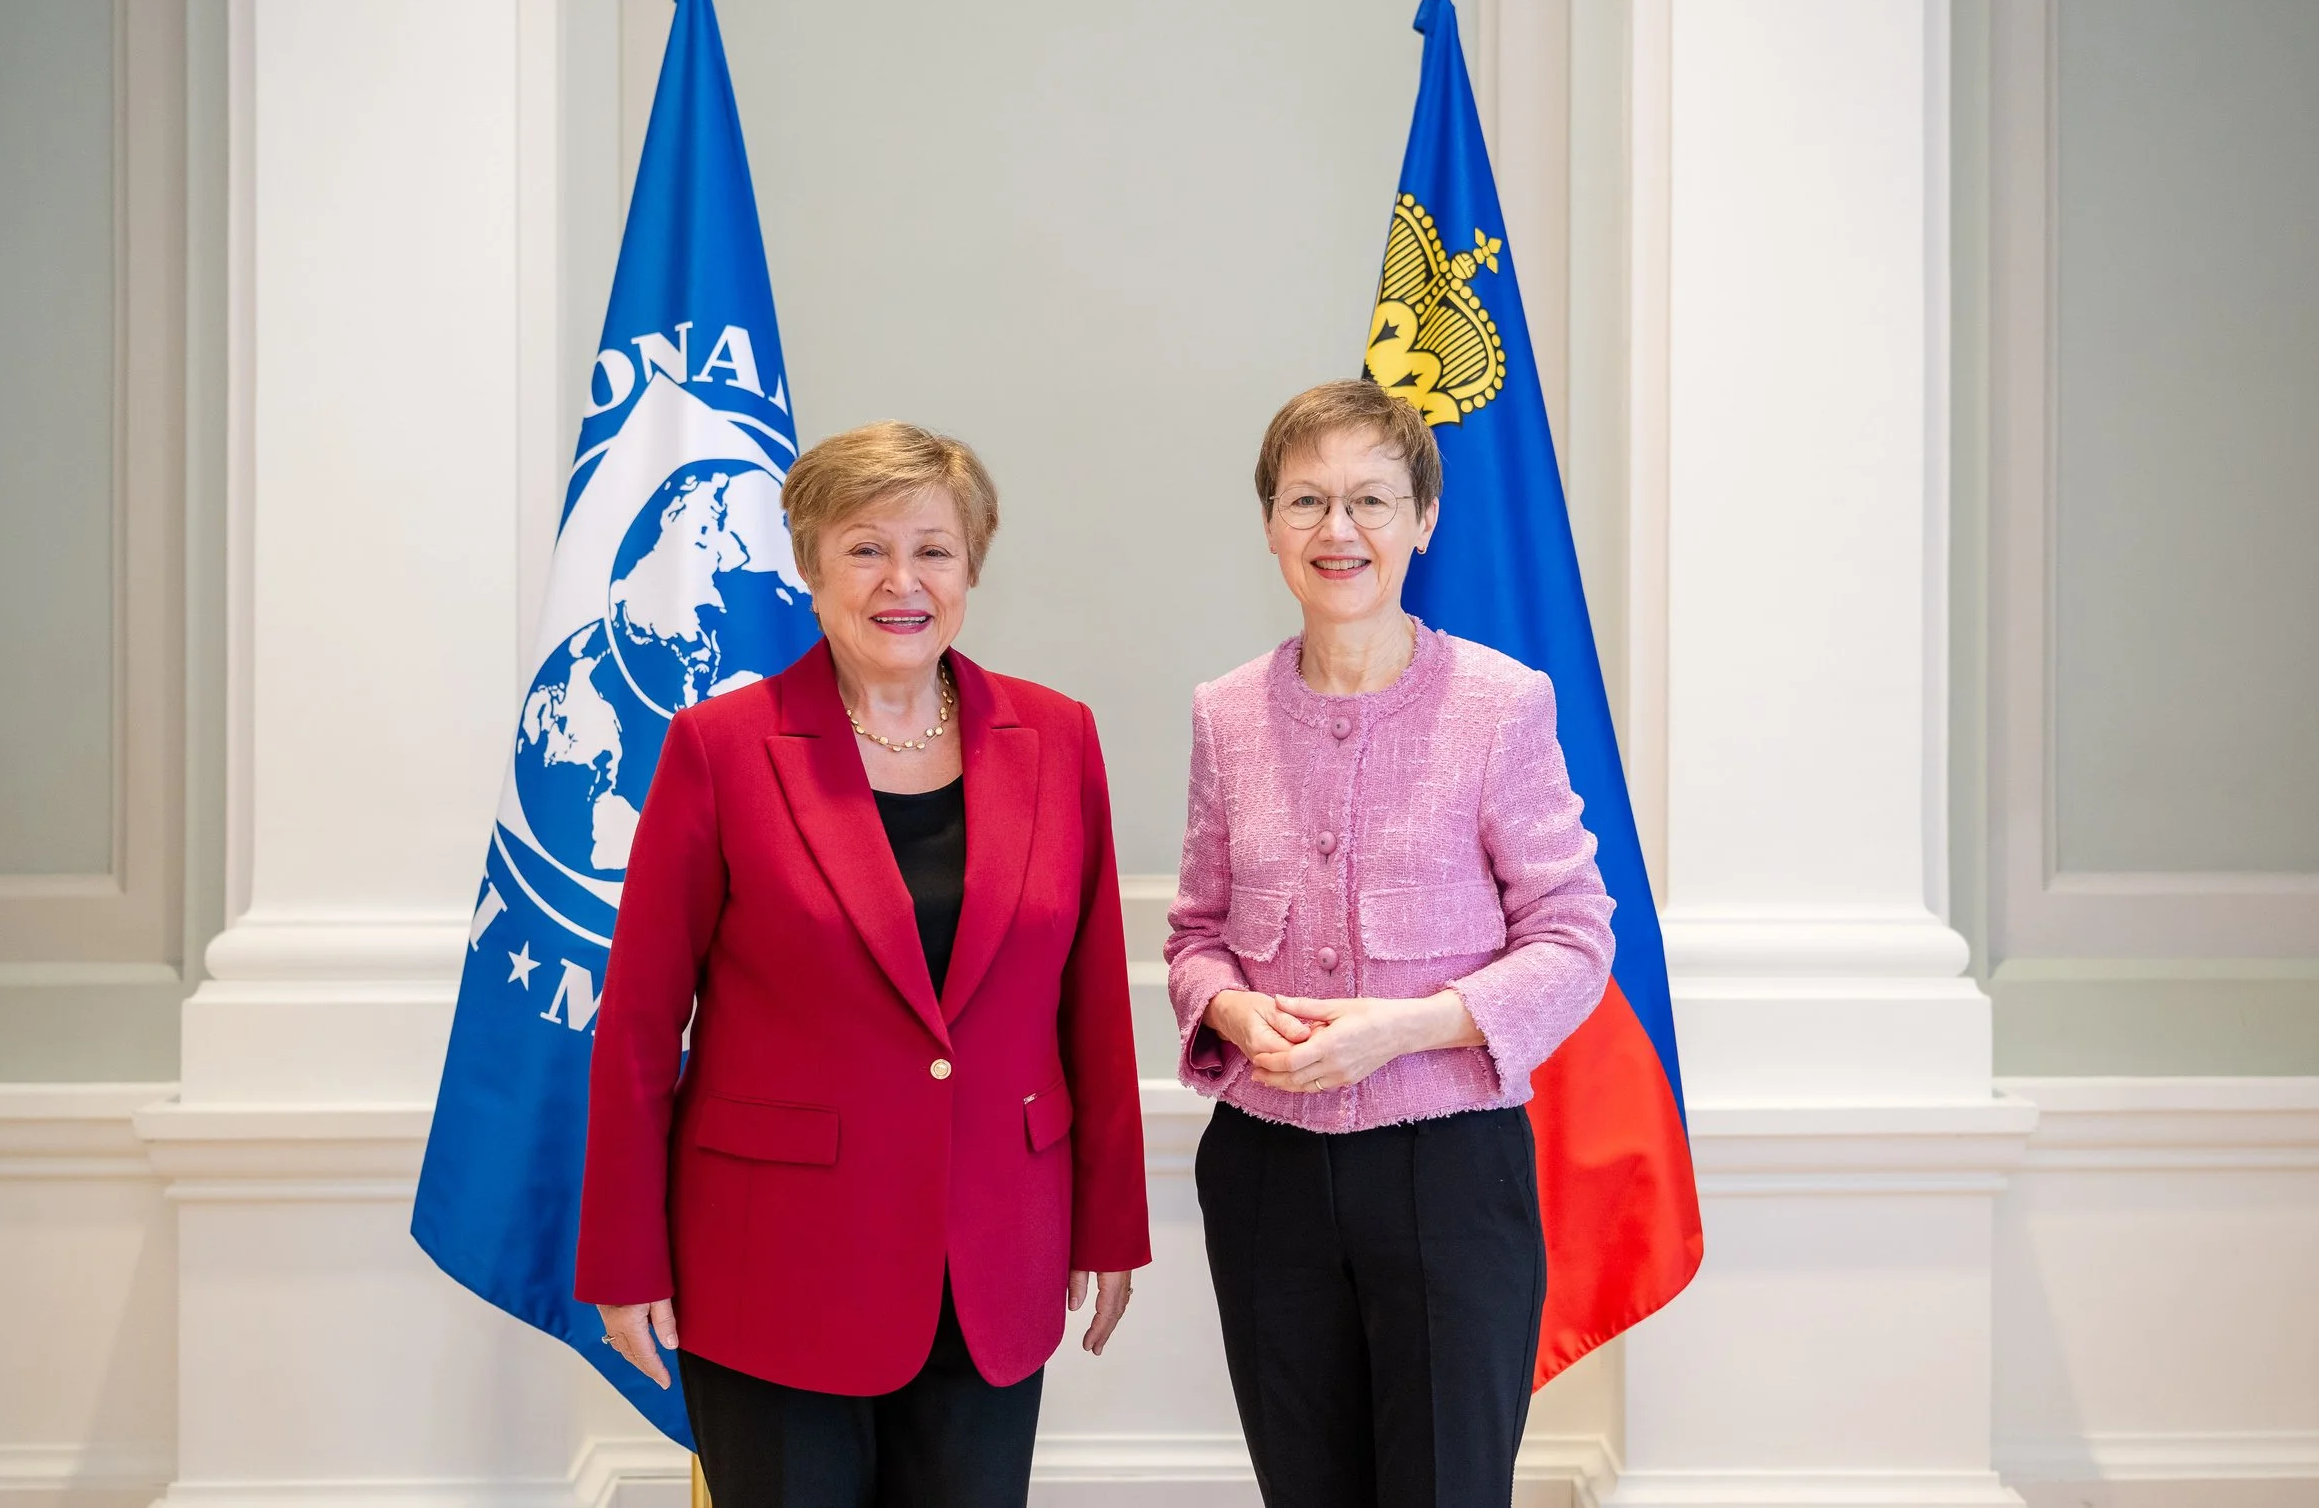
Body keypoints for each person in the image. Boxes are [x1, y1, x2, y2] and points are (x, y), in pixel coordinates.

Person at [579, 421, 1150, 1508]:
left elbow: (1091, 1003)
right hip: (774, 1264)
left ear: (970, 567)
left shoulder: (1058, 737)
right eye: (864, 548)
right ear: (808, 563)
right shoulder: (719, 747)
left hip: (994, 1252)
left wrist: (1110, 1218)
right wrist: (621, 1256)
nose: (903, 580)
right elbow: (642, 1024)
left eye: (932, 549)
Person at [1164, 379, 1616, 1508]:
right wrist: (1226, 1006)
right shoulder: (1224, 711)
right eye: (1307, 499)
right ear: (1270, 523)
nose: (1339, 529)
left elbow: (1572, 937)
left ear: (1423, 518)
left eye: (1372, 498)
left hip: (1449, 1170)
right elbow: (1195, 936)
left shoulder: (1502, 703)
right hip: (1264, 1175)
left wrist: (1407, 1028)